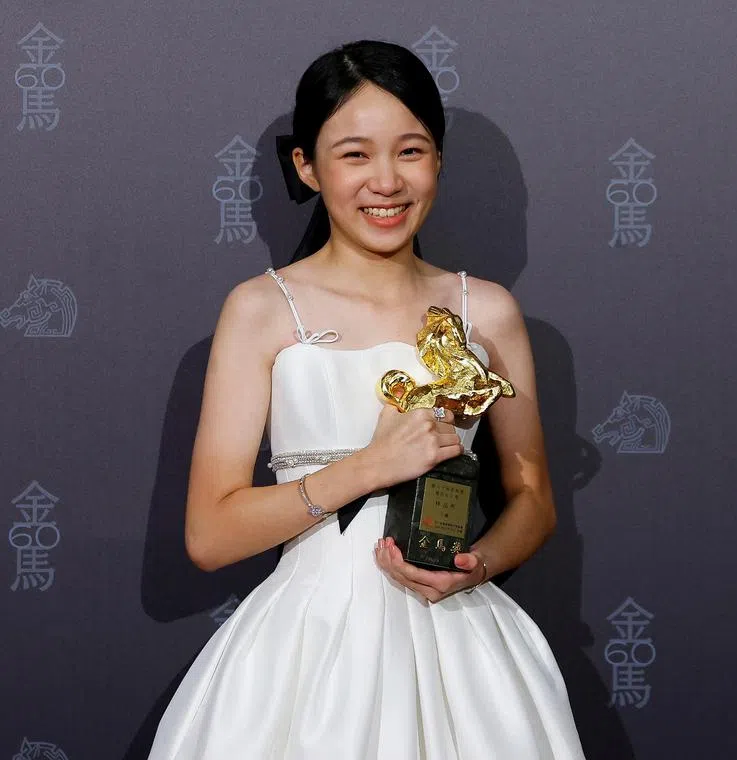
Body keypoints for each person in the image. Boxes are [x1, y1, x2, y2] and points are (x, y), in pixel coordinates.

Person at [149, 40, 586, 759]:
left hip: (460, 638)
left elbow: (533, 495)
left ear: (438, 161)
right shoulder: (263, 310)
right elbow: (209, 534)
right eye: (354, 155)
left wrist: (475, 564)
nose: (386, 181)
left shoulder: (488, 312)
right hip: (305, 646)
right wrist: (368, 466)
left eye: (410, 151)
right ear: (307, 167)